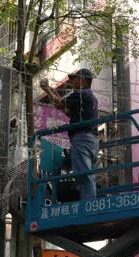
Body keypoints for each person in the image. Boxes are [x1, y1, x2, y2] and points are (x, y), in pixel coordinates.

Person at [40, 68, 99, 200]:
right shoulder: (88, 97)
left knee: (82, 174)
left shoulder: (81, 94)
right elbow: (63, 108)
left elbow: (59, 103)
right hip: (90, 140)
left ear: (82, 81)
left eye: (75, 80)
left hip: (82, 139)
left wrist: (47, 90)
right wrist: (50, 90)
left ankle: (88, 204)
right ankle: (89, 200)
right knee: (86, 173)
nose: (72, 83)